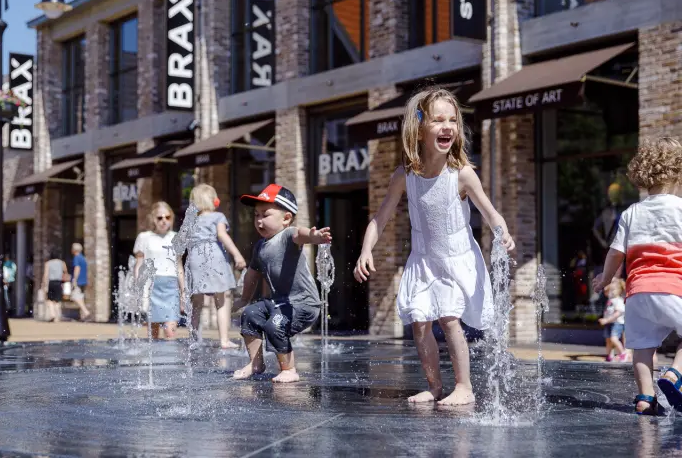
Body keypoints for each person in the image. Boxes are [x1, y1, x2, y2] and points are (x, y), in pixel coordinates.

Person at [353, 87, 515, 406]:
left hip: (456, 258)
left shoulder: (462, 174)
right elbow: (380, 218)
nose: (447, 127)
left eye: (453, 120)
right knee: (419, 322)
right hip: (423, 260)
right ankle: (434, 386)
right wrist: (366, 250)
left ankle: (464, 386)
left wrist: (503, 233)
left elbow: (490, 212)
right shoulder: (405, 176)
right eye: (438, 120)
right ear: (419, 129)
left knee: (449, 319)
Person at [593, 137, 682, 415]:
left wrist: (605, 279)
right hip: (674, 289)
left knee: (643, 348)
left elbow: (615, 253)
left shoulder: (632, 212)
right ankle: (674, 375)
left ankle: (645, 399)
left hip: (638, 294)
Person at [232, 184, 331, 383]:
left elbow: (299, 234)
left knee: (275, 325)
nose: (259, 220)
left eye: (265, 214)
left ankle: (289, 369)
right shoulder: (260, 246)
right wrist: (244, 299)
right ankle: (256, 363)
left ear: (286, 218)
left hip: (303, 304)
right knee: (250, 315)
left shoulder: (287, 236)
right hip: (280, 302)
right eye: (256, 215)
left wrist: (314, 237)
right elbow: (252, 274)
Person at [187, 184, 246, 348]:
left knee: (197, 301)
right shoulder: (218, 216)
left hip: (195, 258)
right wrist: (237, 254)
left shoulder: (191, 220)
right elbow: (222, 235)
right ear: (214, 200)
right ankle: (224, 340)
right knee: (221, 299)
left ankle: (194, 340)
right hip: (214, 257)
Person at [133, 202, 185, 339]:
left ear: (172, 218)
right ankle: (155, 354)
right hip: (151, 286)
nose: (163, 221)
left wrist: (183, 292)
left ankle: (170, 353)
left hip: (171, 286)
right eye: (159, 217)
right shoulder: (144, 237)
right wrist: (139, 288)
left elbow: (179, 266)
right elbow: (139, 265)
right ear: (153, 219)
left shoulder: (177, 237)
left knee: (170, 331)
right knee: (153, 332)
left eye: (167, 217)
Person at [598, 277, 627, 362]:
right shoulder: (610, 300)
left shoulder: (619, 300)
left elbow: (618, 313)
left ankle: (623, 353)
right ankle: (609, 356)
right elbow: (605, 291)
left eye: (613, 290)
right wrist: (607, 285)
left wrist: (606, 320)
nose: (611, 292)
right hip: (609, 323)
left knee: (613, 339)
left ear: (619, 290)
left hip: (617, 323)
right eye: (610, 290)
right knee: (608, 340)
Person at [42, 250, 67, 322]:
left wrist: (44, 284)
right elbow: (65, 272)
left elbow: (46, 274)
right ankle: (57, 317)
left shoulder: (48, 263)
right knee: (57, 300)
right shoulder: (62, 263)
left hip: (51, 283)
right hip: (59, 283)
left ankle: (52, 314)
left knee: (49, 300)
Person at [71, 243, 92, 321]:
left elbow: (77, 268)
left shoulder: (76, 258)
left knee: (74, 297)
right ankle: (83, 316)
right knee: (81, 297)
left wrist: (74, 279)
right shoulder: (83, 258)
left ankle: (86, 312)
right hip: (83, 280)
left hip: (78, 281)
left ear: (74, 250)